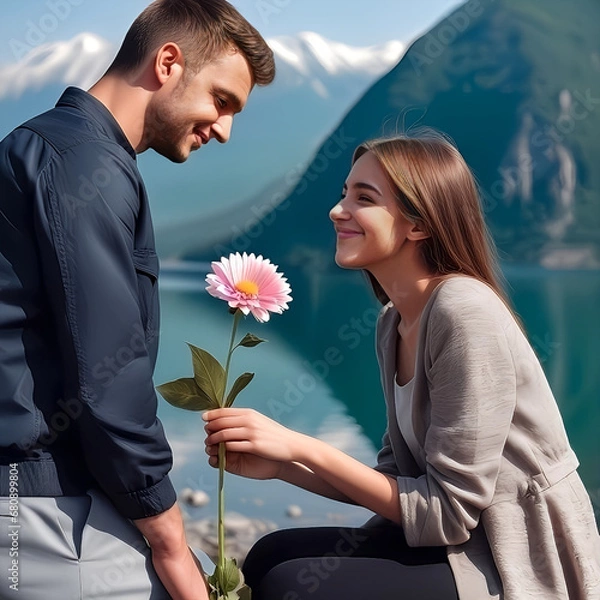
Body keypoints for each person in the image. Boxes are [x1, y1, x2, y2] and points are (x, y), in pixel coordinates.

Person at [203, 132, 600, 599]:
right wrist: (283, 466)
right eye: (343, 193)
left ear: (419, 225)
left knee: (291, 584)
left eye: (363, 198)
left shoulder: (463, 311)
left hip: (511, 557)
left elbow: (449, 514)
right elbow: (397, 482)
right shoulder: (394, 322)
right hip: (457, 541)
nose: (337, 210)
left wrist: (302, 447)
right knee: (269, 554)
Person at [0, 1, 275, 598]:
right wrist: (169, 536)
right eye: (222, 101)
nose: (224, 130)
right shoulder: (83, 164)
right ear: (168, 63)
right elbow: (106, 376)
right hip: (42, 508)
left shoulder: (55, 148)